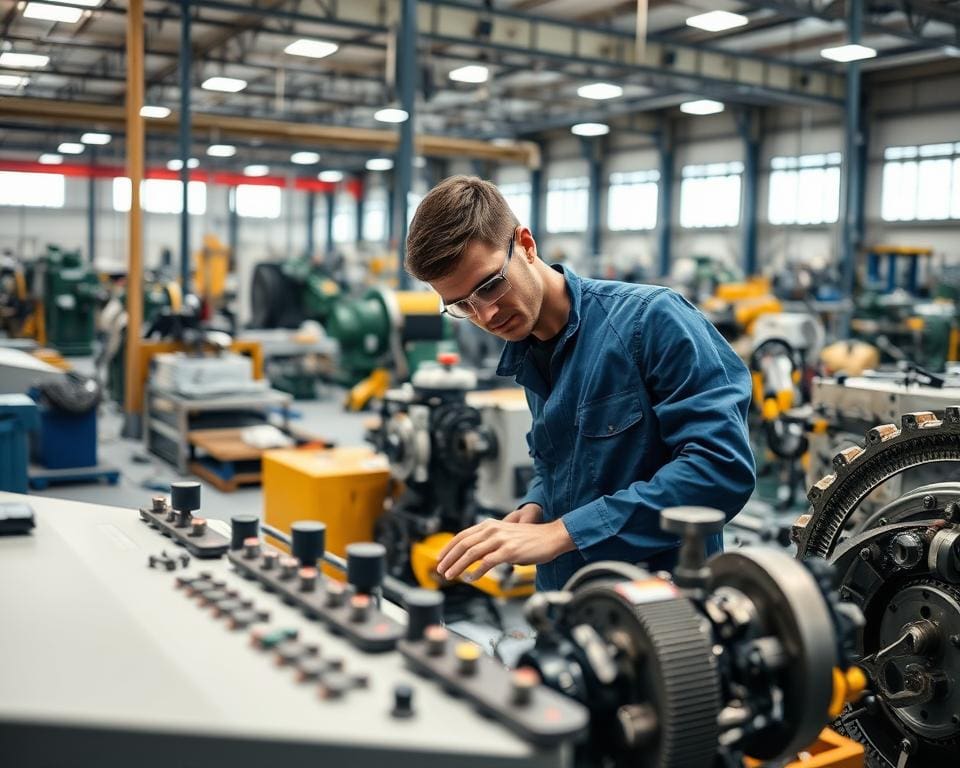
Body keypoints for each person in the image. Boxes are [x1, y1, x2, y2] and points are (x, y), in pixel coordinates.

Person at [404, 175, 755, 591]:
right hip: (568, 600)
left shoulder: (651, 321)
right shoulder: (529, 350)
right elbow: (558, 462)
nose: (486, 315)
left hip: (660, 603)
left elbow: (720, 469)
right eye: (462, 305)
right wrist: (537, 505)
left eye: (490, 285)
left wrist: (561, 533)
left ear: (526, 245)